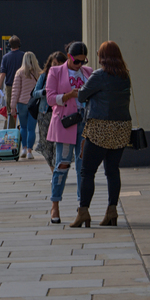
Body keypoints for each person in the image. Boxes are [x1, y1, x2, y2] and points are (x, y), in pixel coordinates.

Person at [71, 40, 133, 228]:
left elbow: (82, 96)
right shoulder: (125, 76)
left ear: (103, 56)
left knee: (87, 171)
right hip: (121, 128)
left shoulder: (99, 75)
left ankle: (83, 212)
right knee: (112, 171)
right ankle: (112, 210)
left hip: (100, 128)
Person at [45, 41, 93, 223]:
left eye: (83, 61)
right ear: (70, 57)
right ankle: (55, 205)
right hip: (66, 122)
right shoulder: (56, 72)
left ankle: (82, 207)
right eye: (77, 61)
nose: (80, 65)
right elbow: (50, 98)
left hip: (84, 123)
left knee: (83, 168)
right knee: (62, 165)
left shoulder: (88, 72)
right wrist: (68, 95)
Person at [33, 51, 66, 171]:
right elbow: (34, 93)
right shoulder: (44, 76)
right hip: (44, 113)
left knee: (58, 144)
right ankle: (53, 168)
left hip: (60, 114)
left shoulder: (66, 76)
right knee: (47, 144)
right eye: (54, 64)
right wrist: (44, 92)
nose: (56, 66)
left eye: (59, 64)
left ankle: (57, 169)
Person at [11, 51, 42, 160]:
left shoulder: (19, 72)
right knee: (31, 129)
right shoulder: (39, 73)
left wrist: (12, 106)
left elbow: (15, 91)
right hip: (34, 104)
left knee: (23, 127)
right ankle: (29, 151)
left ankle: (23, 148)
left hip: (22, 103)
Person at [0, 35, 24, 129]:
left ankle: (11, 131)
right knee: (22, 108)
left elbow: (2, 74)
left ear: (9, 45)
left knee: (10, 109)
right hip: (22, 85)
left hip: (10, 86)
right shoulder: (23, 56)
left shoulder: (5, 57)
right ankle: (22, 128)